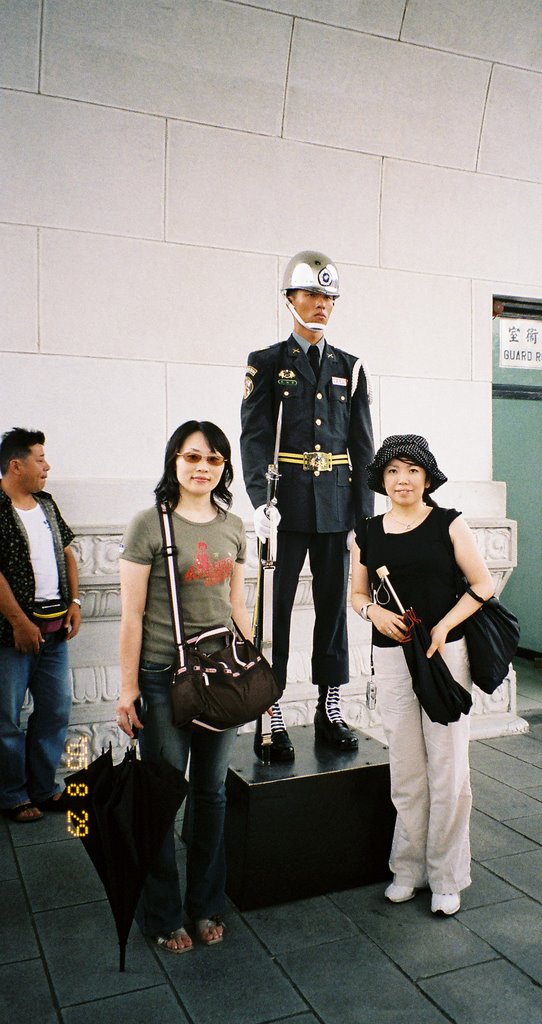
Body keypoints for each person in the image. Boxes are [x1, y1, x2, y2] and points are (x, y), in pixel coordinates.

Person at [116, 420, 251, 953]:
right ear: (174, 460)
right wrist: (127, 689)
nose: (202, 467)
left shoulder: (235, 526)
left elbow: (237, 605)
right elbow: (130, 615)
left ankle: (206, 903)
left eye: (214, 459)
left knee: (212, 792)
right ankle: (164, 912)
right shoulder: (149, 524)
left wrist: (253, 666)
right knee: (165, 793)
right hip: (161, 675)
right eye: (193, 456)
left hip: (221, 677)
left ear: (224, 468)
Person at [351, 435, 494, 916]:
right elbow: (355, 595)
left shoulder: (450, 524)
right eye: (392, 471)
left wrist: (444, 626)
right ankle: (407, 869)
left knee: (448, 767)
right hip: (392, 658)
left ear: (427, 477)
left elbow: (483, 584)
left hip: (445, 655)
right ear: (382, 480)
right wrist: (373, 611)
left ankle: (447, 876)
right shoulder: (366, 532)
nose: (402, 479)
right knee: (407, 769)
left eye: (412, 470)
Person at [240, 250, 375, 761]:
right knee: (274, 613)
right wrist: (259, 500)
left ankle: (330, 707)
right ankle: (270, 712)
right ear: (290, 299)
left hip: (336, 508)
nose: (322, 305)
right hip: (285, 507)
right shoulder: (268, 363)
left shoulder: (351, 368)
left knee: (333, 612)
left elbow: (363, 448)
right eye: (313, 295)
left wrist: (363, 518)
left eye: (329, 297)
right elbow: (254, 437)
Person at [0, 428, 81, 823]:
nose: (46, 466)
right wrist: (18, 621)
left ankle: (44, 788)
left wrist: (76, 602)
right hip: (10, 636)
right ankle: (13, 794)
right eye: (39, 459)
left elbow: (67, 551)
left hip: (55, 632)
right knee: (6, 718)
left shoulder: (47, 505)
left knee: (55, 710)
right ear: (16, 465)